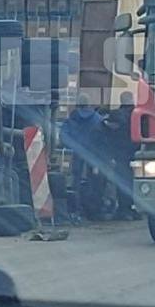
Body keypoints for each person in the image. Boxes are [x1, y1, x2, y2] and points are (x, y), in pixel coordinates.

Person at [59, 94, 104, 221]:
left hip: (77, 155)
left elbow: (63, 136)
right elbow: (104, 137)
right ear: (89, 104)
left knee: (76, 182)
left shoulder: (72, 118)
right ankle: (93, 210)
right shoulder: (97, 119)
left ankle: (77, 209)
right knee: (95, 183)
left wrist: (73, 145)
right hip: (94, 156)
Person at [104, 91, 136, 219]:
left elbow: (108, 135)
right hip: (136, 154)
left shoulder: (115, 115)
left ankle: (123, 209)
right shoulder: (138, 115)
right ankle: (132, 208)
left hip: (119, 155)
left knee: (122, 182)